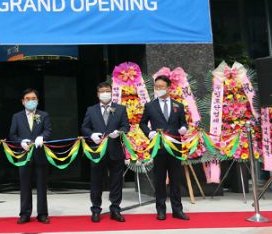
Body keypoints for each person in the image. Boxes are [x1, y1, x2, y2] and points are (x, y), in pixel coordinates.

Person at [139, 75, 190, 221]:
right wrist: (149, 133)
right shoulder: (150, 106)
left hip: (175, 147)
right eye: (156, 87)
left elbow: (183, 123)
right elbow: (142, 123)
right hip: (159, 147)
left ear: (169, 88)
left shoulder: (178, 105)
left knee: (175, 180)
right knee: (159, 180)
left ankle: (177, 210)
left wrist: (183, 128)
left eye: (161, 87)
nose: (158, 89)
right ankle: (160, 210)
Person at [80, 82, 129, 223]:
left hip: (115, 150)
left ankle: (115, 209)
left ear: (112, 92)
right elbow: (84, 127)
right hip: (98, 151)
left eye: (107, 91)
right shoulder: (91, 110)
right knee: (96, 181)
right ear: (97, 94)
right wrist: (91, 135)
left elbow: (126, 126)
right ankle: (96, 209)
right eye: (102, 91)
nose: (105, 93)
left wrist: (119, 132)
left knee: (116, 182)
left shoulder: (120, 109)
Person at [8, 88, 52, 224]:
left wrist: (42, 137)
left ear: (37, 101)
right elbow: (12, 135)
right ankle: (25, 213)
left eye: (33, 99)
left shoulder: (44, 115)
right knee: (25, 185)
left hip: (40, 154)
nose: (30, 101)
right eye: (28, 99)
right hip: (24, 155)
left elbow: (48, 130)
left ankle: (42, 214)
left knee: (41, 186)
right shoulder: (17, 116)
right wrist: (20, 142)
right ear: (23, 101)